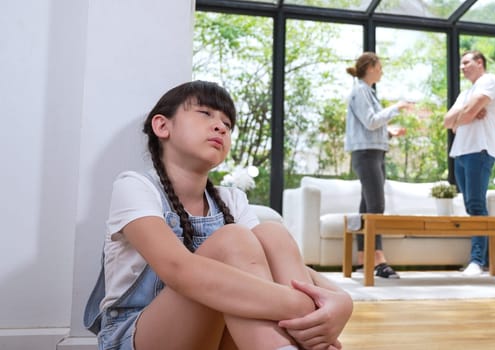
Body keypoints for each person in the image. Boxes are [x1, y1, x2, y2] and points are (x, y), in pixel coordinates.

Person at [83, 81, 353, 350]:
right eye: (205, 113)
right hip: (138, 336)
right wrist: (304, 308)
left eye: (227, 124)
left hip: (214, 336)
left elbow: (278, 261)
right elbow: (178, 270)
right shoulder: (135, 186)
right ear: (162, 126)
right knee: (232, 239)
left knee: (273, 234)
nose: (221, 126)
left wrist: (342, 301)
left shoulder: (231, 199)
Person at [344, 52, 414, 279]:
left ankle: (364, 259)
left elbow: (371, 125)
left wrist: (390, 133)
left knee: (367, 208)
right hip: (366, 154)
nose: (382, 71)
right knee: (376, 207)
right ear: (371, 67)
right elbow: (372, 121)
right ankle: (379, 260)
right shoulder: (360, 91)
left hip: (373, 152)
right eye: (380, 66)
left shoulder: (367, 91)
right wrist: (396, 107)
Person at [443, 50, 495, 276]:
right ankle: (484, 260)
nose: (462, 67)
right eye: (461, 64)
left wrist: (464, 115)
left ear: (480, 62)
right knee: (471, 206)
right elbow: (447, 121)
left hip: (479, 150)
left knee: (477, 205)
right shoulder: (465, 93)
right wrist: (465, 112)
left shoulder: (490, 81)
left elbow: (465, 117)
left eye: (466, 62)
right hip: (460, 152)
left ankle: (477, 261)